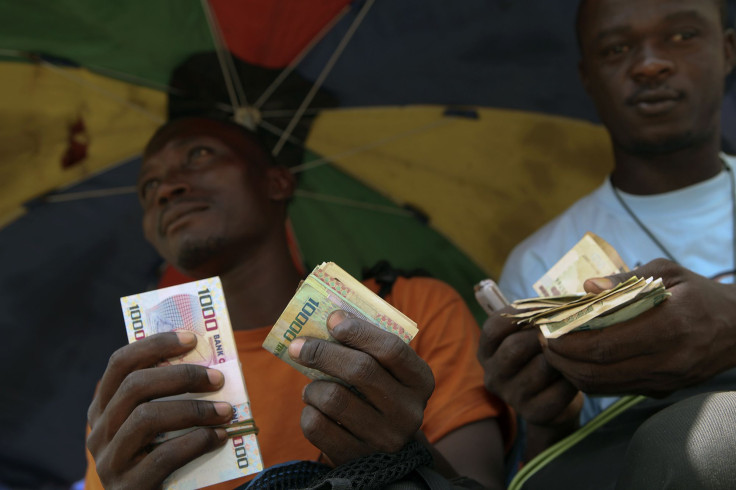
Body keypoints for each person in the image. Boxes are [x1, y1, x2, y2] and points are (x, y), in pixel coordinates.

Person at [84, 117, 511, 490]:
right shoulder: (139, 394)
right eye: (149, 187)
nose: (167, 190)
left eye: (198, 154)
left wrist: (398, 455)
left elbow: (481, 483)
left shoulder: (410, 304)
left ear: (277, 181)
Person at [478, 0, 736, 481]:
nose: (650, 64)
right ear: (588, 77)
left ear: (728, 50)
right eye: (616, 48)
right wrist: (550, 419)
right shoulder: (536, 262)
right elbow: (555, 466)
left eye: (681, 36)